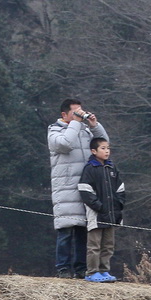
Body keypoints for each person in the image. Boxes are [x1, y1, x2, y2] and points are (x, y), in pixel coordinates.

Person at [48, 98, 109, 279]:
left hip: (86, 186)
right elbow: (64, 144)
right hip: (66, 187)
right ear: (64, 115)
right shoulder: (54, 130)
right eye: (75, 113)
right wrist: (75, 123)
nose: (79, 116)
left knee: (84, 230)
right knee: (66, 230)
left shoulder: (84, 130)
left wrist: (94, 125)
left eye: (80, 112)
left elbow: (103, 145)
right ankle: (63, 268)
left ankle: (81, 268)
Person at [78, 137, 124, 282]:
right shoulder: (90, 169)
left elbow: (121, 189)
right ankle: (92, 272)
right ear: (94, 151)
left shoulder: (112, 168)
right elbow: (85, 190)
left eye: (108, 148)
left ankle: (104, 271)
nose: (106, 151)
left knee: (108, 245)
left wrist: (118, 205)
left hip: (112, 215)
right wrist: (99, 206)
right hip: (96, 215)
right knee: (94, 245)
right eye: (103, 148)